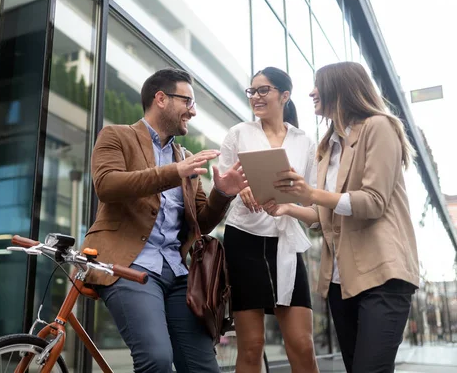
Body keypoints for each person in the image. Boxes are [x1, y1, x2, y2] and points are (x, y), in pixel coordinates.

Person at [81, 67, 248, 373]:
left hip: (177, 273)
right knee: (157, 360)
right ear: (161, 98)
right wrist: (174, 173)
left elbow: (200, 221)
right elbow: (107, 185)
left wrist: (223, 193)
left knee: (203, 368)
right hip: (128, 265)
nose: (193, 111)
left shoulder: (184, 157)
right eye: (187, 101)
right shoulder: (117, 136)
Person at [263, 61, 420, 373]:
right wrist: (287, 207)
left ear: (340, 87)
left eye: (318, 85)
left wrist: (310, 194)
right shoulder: (327, 146)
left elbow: (372, 202)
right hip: (340, 281)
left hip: (383, 275)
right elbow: (325, 216)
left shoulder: (379, 127)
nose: (311, 92)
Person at [218, 67, 319, 373]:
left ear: (284, 96)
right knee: (251, 346)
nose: (256, 97)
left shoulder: (305, 142)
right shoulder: (238, 133)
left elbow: (314, 211)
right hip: (244, 241)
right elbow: (222, 188)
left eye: (264, 90)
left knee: (302, 343)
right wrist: (240, 190)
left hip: (285, 243)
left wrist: (287, 208)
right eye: (252, 91)